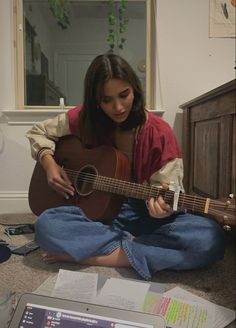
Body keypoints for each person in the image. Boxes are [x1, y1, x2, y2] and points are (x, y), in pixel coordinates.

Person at [26, 53, 225, 280]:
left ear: (135, 89)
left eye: (124, 95)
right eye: (106, 100)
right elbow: (38, 132)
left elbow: (168, 190)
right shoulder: (84, 118)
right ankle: (141, 249)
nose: (118, 107)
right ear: (95, 101)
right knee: (46, 225)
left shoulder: (158, 132)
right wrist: (49, 163)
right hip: (96, 210)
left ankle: (97, 255)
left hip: (143, 212)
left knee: (209, 238)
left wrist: (162, 209)